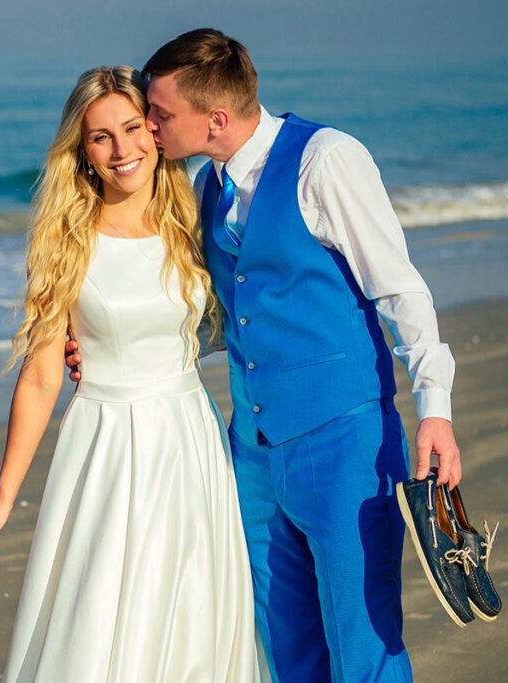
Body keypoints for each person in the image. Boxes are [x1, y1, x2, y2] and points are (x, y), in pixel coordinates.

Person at [65, 30, 461, 681]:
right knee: (284, 648)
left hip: (344, 446)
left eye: (159, 115)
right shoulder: (205, 188)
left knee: (363, 647)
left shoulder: (326, 161)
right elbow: (229, 319)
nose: (149, 129)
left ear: (215, 118)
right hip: (251, 454)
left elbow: (401, 292)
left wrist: (436, 410)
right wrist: (115, 346)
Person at [0, 66, 264, 682]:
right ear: (83, 151)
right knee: (97, 622)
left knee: (193, 616)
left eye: (131, 128)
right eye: (101, 137)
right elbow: (43, 376)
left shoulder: (196, 220)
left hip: (188, 441)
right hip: (103, 448)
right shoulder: (66, 241)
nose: (122, 149)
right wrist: (2, 496)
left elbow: (235, 322)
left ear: (156, 131)